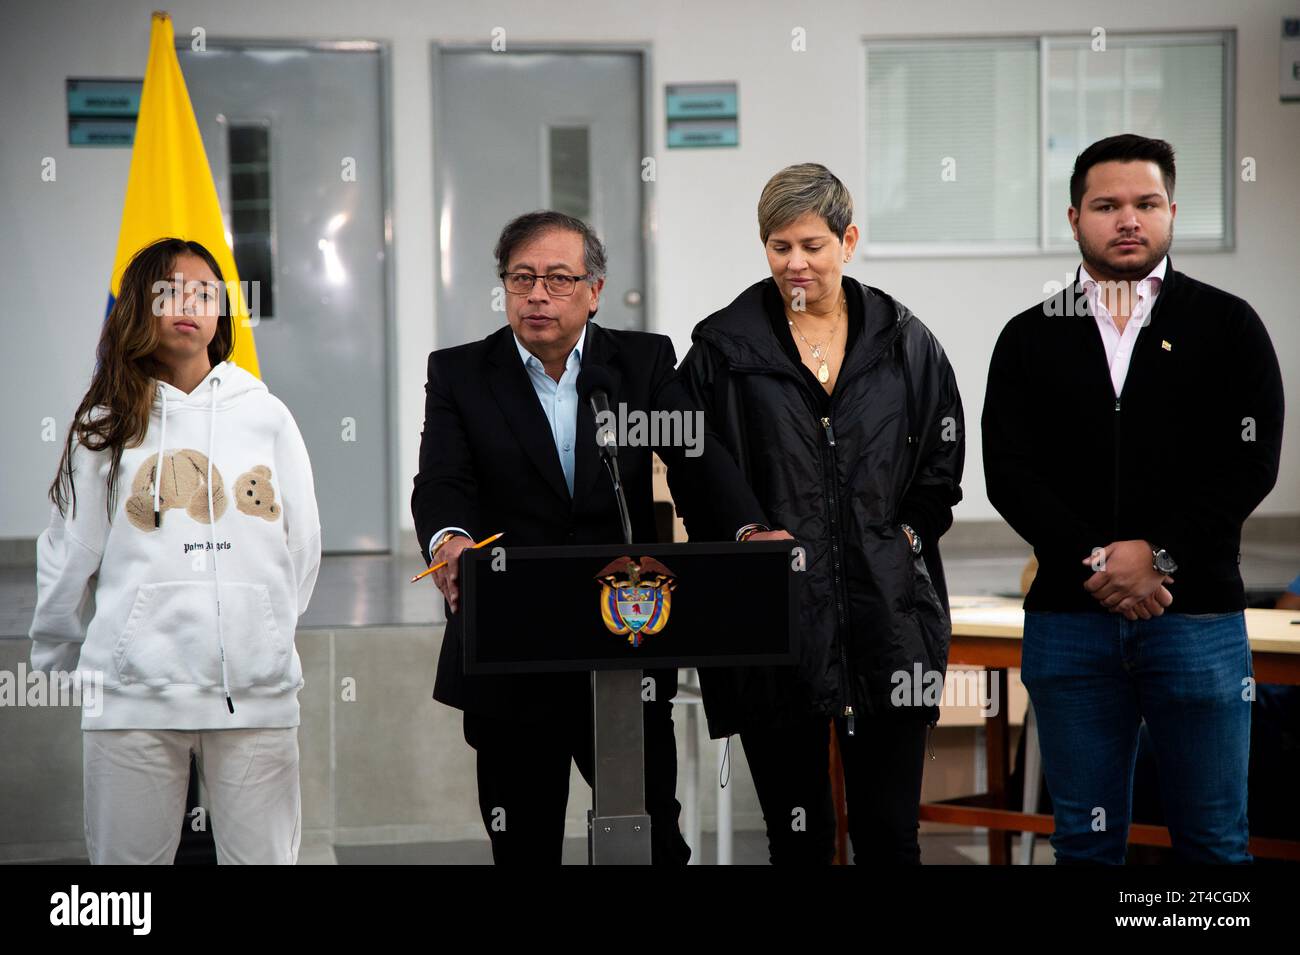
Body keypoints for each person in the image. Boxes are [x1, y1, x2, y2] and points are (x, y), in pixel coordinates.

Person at [412, 210, 783, 865]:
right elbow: (443, 479)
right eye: (521, 277)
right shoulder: (462, 374)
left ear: (595, 289)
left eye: (558, 278)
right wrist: (450, 539)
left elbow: (697, 461)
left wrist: (747, 528)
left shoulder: (638, 365)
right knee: (523, 840)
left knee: (651, 840)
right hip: (512, 641)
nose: (536, 295)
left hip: (625, 631)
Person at [982, 134, 1284, 863]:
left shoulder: (1228, 325)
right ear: (1074, 217)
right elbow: (1010, 472)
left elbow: (1250, 463)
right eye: (1107, 204)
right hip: (1070, 622)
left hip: (1197, 617)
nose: (1128, 219)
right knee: (1084, 847)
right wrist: (1100, 561)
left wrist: (1158, 555)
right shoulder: (1030, 337)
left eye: (1146, 203)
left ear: (1172, 211)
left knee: (1213, 843)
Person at [670, 164, 965, 864]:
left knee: (889, 834)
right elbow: (690, 459)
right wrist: (743, 530)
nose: (795, 263)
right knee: (798, 836)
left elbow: (941, 460)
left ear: (848, 240)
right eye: (779, 246)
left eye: (812, 244)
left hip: (887, 616)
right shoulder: (722, 350)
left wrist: (908, 536)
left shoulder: (905, 341)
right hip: (775, 619)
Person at [29, 237, 322, 864]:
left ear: (221, 314)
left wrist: (262, 636)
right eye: (169, 291)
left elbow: (302, 547)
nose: (188, 303)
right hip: (132, 698)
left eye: (204, 292)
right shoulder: (105, 424)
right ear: (140, 308)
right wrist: (57, 655)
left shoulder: (266, 415)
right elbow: (71, 549)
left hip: (255, 695)